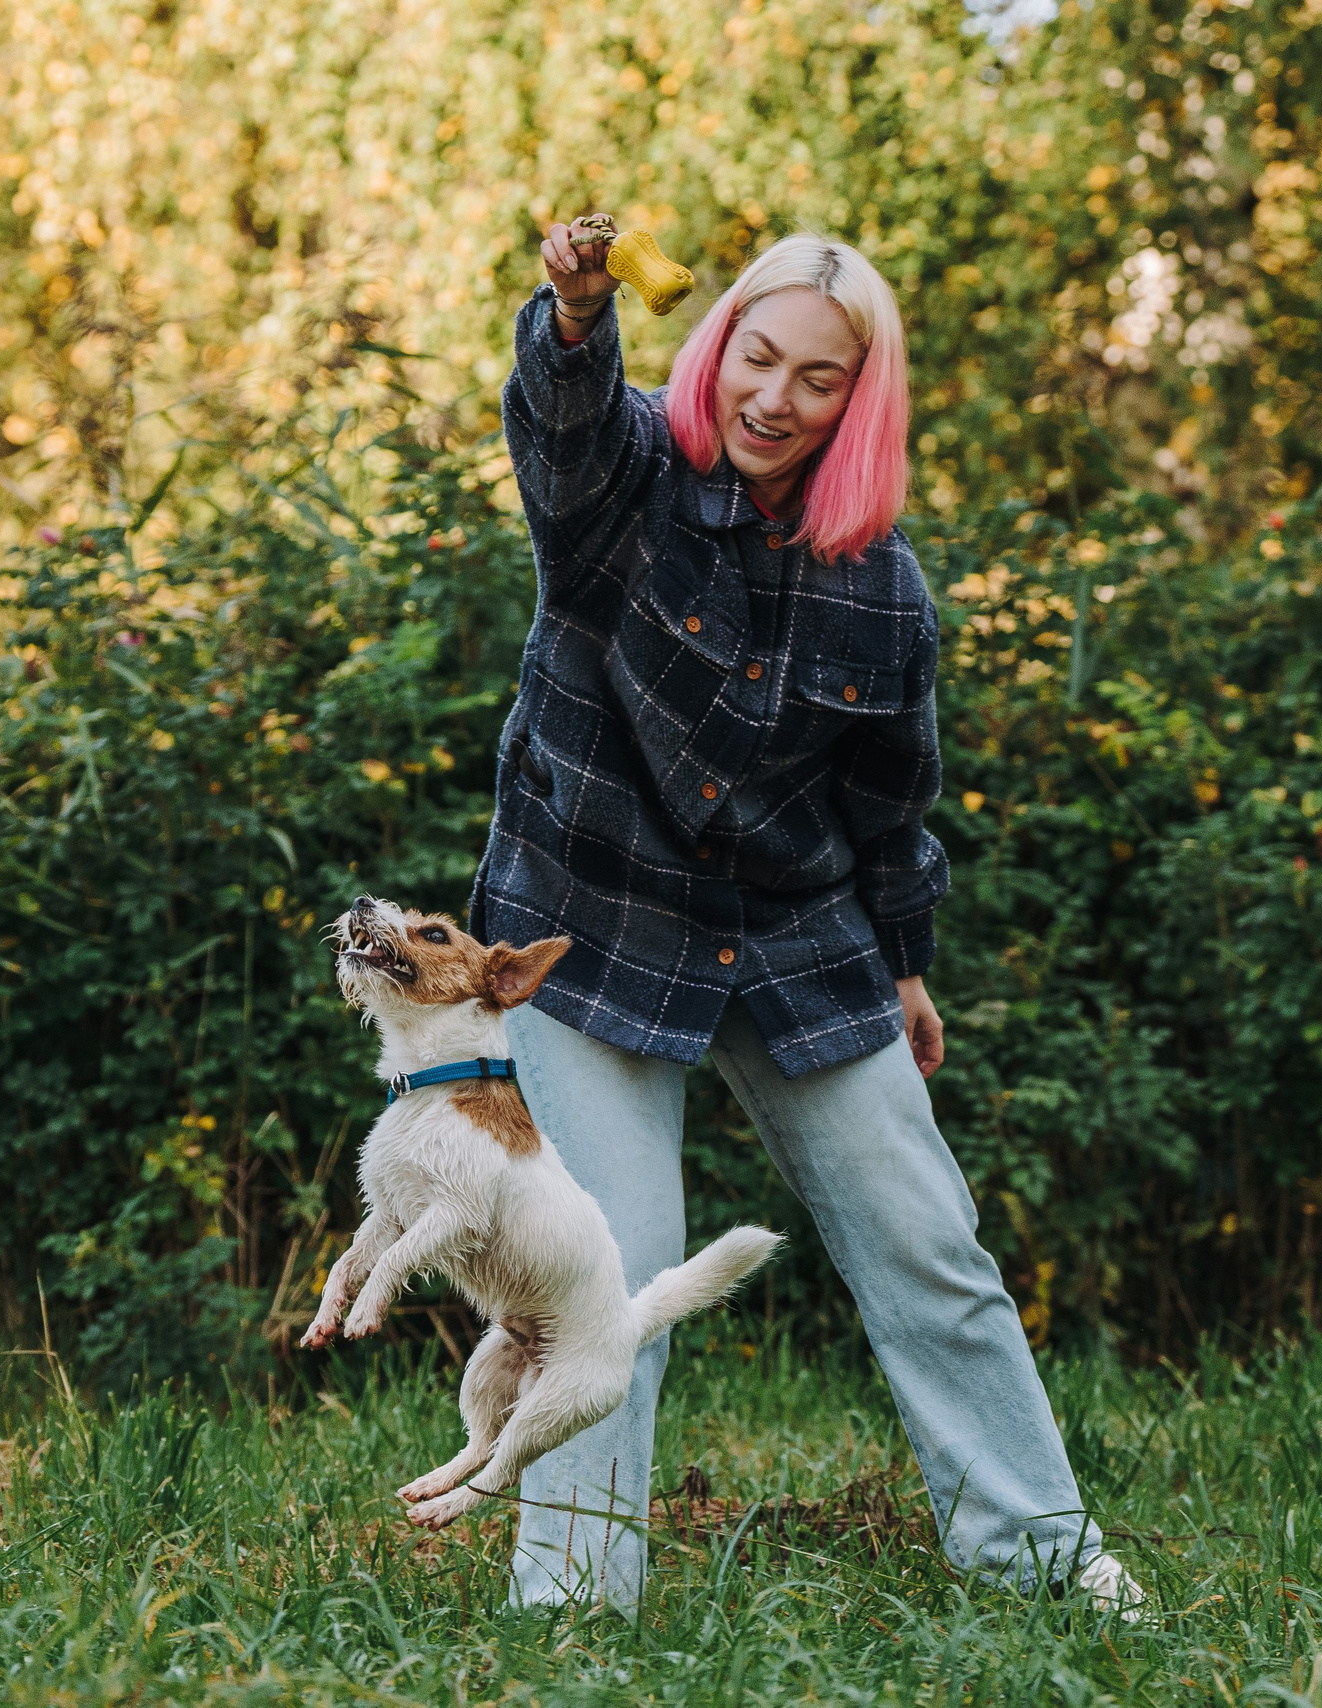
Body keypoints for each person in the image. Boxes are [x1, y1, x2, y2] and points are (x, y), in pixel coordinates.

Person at [471, 216, 1143, 1616]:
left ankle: (1039, 1559)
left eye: (817, 378)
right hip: (592, 922)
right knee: (610, 1269)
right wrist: (577, 318)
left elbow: (892, 801)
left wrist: (905, 966)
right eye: (757, 358)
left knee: (932, 1247)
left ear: (859, 401)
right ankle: (573, 1606)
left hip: (796, 938)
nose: (774, 399)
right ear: (717, 348)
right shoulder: (626, 475)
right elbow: (560, 422)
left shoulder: (883, 588)